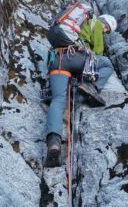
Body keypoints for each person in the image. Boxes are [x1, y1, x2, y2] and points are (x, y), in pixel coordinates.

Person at [45, 14, 117, 167]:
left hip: (57, 60)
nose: (104, 32)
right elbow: (97, 52)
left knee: (58, 100)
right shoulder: (95, 23)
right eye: (106, 29)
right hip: (77, 56)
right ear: (104, 23)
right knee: (107, 64)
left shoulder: (76, 27)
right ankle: (91, 87)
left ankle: (54, 143)